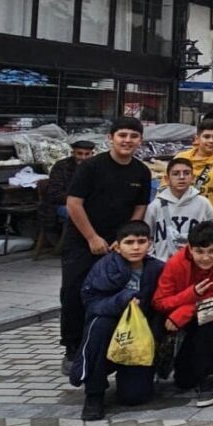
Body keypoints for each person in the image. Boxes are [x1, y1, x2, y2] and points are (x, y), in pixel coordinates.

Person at [60, 117, 152, 377]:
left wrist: (125, 239)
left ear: (140, 141)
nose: (127, 140)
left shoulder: (141, 171)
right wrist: (92, 237)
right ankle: (72, 348)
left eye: (133, 136)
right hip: (82, 241)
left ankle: (110, 346)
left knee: (116, 293)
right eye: (122, 135)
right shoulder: (91, 167)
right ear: (111, 138)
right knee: (74, 292)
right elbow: (74, 204)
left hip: (117, 245)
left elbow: (140, 207)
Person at [73, 220, 163, 421]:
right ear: (118, 246)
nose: (136, 247)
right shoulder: (105, 267)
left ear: (150, 243)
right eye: (129, 242)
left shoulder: (156, 268)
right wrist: (123, 300)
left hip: (139, 335)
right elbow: (92, 303)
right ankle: (94, 393)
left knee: (134, 397)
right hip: (109, 329)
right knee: (98, 325)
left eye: (141, 241)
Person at [152, 221, 213, 408]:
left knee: (211, 315)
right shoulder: (175, 263)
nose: (206, 258)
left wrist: (185, 311)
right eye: (199, 252)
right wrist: (191, 294)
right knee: (184, 381)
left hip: (203, 313)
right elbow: (159, 302)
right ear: (189, 248)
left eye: (212, 251)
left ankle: (208, 377)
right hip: (174, 317)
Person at [146, 157, 213, 262]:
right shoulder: (155, 205)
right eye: (176, 174)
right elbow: (147, 237)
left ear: (193, 178)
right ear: (167, 179)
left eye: (186, 173)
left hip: (194, 264)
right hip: (162, 263)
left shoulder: (204, 204)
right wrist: (154, 260)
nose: (182, 177)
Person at [174, 118, 213, 236]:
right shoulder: (181, 158)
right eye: (206, 137)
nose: (211, 141)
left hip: (210, 226)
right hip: (180, 222)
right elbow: (166, 188)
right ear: (197, 138)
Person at [40, 139, 94, 234]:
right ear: (73, 153)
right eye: (79, 154)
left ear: (92, 154)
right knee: (83, 215)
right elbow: (55, 194)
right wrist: (79, 201)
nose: (83, 157)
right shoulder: (61, 167)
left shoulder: (96, 166)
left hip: (89, 204)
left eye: (87, 154)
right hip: (62, 204)